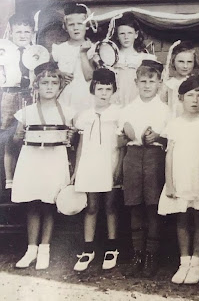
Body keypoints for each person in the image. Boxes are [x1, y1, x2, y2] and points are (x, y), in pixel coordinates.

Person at [12, 61, 75, 270]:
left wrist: (72, 136)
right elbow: (14, 140)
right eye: (45, 83)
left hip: (54, 160)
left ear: (60, 87)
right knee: (33, 203)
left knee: (49, 204)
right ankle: (31, 249)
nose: (49, 86)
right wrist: (17, 135)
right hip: (32, 160)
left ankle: (45, 249)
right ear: (36, 86)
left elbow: (72, 140)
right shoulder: (26, 112)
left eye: (53, 83)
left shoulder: (67, 111)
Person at [119, 59, 169, 277]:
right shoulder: (128, 108)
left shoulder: (165, 110)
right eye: (143, 81)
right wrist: (128, 133)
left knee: (152, 206)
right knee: (135, 206)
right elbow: (120, 139)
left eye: (152, 81)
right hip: (133, 157)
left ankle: (151, 256)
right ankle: (137, 254)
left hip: (154, 158)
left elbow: (169, 138)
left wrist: (157, 136)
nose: (147, 85)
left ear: (159, 82)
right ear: (136, 82)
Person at [158, 75, 199, 285]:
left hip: (198, 176)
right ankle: (184, 261)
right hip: (180, 176)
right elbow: (169, 154)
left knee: (198, 219)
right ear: (181, 98)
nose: (195, 100)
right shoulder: (175, 124)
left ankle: (196, 262)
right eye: (190, 95)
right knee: (181, 219)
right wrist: (169, 182)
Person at [72, 68, 123, 271]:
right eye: (100, 88)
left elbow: (121, 144)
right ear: (93, 89)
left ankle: (112, 248)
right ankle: (88, 249)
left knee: (110, 206)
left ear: (113, 91)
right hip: (89, 164)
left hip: (109, 162)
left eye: (107, 89)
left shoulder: (118, 113)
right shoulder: (85, 115)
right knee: (91, 207)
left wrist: (119, 166)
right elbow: (81, 145)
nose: (103, 93)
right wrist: (77, 170)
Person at [1, 12, 35, 189]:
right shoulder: (5, 52)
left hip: (29, 95)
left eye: (26, 32)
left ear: (32, 33)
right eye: (19, 32)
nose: (23, 35)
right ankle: (9, 179)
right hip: (9, 95)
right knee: (8, 136)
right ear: (11, 33)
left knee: (25, 135)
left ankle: (24, 177)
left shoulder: (36, 52)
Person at [52, 3, 94, 113]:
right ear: (65, 27)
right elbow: (50, 71)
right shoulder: (59, 49)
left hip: (87, 98)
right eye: (71, 25)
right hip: (65, 97)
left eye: (80, 24)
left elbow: (89, 76)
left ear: (87, 25)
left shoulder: (93, 48)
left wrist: (83, 53)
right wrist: (59, 73)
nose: (76, 28)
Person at [110, 13, 157, 106]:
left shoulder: (145, 58)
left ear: (136, 35)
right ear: (117, 36)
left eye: (129, 33)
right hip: (115, 99)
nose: (126, 37)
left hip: (136, 99)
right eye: (122, 33)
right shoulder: (110, 57)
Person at [161, 41, 199, 117]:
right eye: (181, 62)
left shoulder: (197, 83)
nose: (185, 66)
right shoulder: (169, 84)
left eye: (189, 62)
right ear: (173, 61)